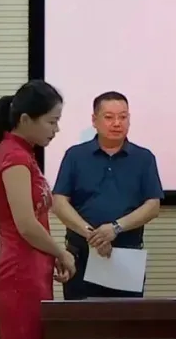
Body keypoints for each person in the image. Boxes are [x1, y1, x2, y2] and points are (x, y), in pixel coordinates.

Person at [0, 81, 76, 339]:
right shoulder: (14, 158)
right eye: (51, 121)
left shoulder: (24, 155)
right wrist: (61, 252)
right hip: (18, 275)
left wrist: (52, 256)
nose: (56, 129)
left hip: (31, 273)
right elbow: (26, 224)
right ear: (26, 119)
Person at [51, 91, 163, 299]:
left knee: (126, 318)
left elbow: (152, 206)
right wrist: (92, 235)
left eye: (123, 117)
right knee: (80, 317)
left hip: (126, 256)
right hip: (81, 254)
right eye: (109, 117)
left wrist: (115, 228)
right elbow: (59, 203)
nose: (117, 123)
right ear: (94, 120)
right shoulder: (75, 155)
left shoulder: (144, 158)